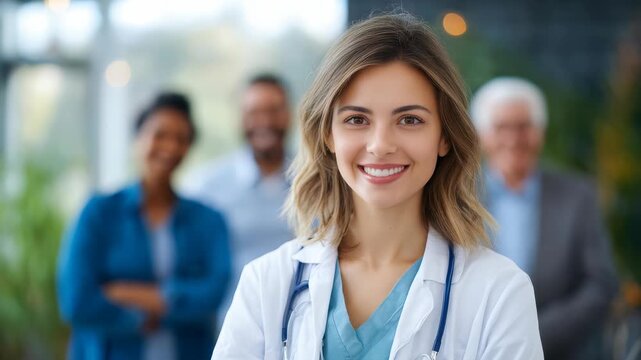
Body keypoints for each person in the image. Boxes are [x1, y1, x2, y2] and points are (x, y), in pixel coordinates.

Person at [212, 13, 543, 360]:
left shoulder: (500, 292)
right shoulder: (267, 284)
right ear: (328, 134)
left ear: (444, 136)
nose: (381, 144)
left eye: (409, 120)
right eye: (357, 119)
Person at [57, 92, 231, 360]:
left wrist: (127, 292)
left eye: (181, 139)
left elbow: (213, 294)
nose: (170, 147)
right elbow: (77, 301)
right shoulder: (99, 213)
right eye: (159, 135)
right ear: (138, 138)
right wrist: (140, 318)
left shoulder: (209, 220)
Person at [470, 77, 619, 360]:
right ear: (481, 136)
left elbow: (601, 282)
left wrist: (533, 332)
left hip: (560, 349)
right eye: (501, 127)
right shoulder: (457, 198)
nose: (513, 139)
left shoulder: (579, 195)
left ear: (541, 132)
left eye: (524, 126)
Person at [181, 74, 293, 327]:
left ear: (289, 114)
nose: (264, 121)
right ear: (239, 118)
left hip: (306, 333)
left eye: (274, 110)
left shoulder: (321, 182)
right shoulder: (205, 188)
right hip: (232, 332)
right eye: (254, 112)